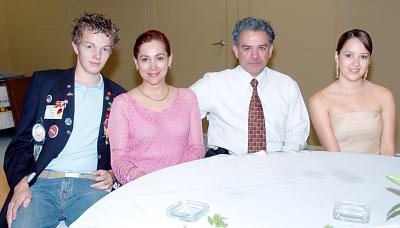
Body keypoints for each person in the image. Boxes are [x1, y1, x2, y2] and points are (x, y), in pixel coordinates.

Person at [0, 12, 126, 228]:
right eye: (89, 46)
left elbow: (126, 150)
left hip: (90, 187)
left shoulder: (118, 97)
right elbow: (20, 144)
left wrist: (114, 174)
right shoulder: (45, 83)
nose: (97, 55)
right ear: (75, 47)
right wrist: (20, 184)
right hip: (42, 184)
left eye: (104, 49)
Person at [190, 17, 309, 156]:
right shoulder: (213, 83)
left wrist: (284, 164)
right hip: (224, 165)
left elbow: (297, 133)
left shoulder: (287, 86)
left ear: (270, 51)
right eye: (247, 48)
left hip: (275, 164)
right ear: (235, 51)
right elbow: (178, 115)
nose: (254, 56)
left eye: (262, 48)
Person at [108, 30, 204, 185]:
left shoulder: (188, 98)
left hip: (183, 182)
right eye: (145, 59)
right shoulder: (123, 104)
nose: (153, 66)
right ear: (136, 62)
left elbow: (197, 148)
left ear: (169, 59)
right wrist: (146, 181)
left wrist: (176, 177)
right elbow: (118, 159)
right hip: (140, 187)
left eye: (159, 58)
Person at [309, 29, 396, 155]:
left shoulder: (384, 96)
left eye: (363, 57)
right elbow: (334, 155)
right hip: (338, 172)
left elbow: (388, 150)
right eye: (349, 55)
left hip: (378, 172)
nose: (356, 63)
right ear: (337, 57)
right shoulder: (319, 101)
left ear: (369, 61)